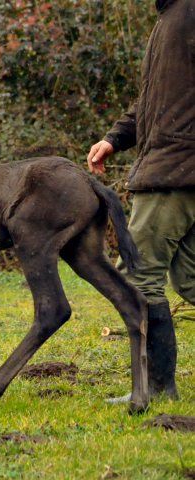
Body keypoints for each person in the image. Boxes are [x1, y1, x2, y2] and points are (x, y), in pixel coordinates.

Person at [87, 0, 195, 401]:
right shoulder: (171, 17)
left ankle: (157, 387)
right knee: (190, 278)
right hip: (174, 167)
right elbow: (154, 102)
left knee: (140, 272)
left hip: (176, 171)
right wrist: (114, 139)